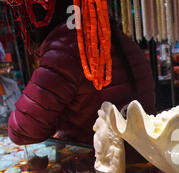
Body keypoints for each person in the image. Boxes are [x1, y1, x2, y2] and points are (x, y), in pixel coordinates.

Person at [7, 0, 156, 146]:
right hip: (141, 154)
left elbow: (22, 130)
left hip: (96, 161)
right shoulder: (122, 39)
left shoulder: (63, 50)